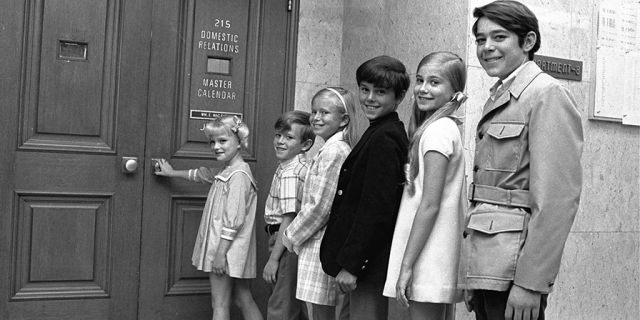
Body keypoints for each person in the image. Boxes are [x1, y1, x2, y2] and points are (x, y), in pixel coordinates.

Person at [462, 1, 584, 320]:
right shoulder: (502, 94)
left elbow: (557, 199)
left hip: (516, 268)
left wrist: (531, 282)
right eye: (480, 39)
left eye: (499, 37)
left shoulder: (546, 95)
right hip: (490, 263)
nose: (487, 47)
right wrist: (473, 272)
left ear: (527, 42)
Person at [319, 55, 410, 320]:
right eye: (365, 89)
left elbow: (376, 209)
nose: (369, 98)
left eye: (380, 92)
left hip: (369, 267)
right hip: (365, 265)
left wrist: (353, 265)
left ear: (399, 96)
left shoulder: (385, 137)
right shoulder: (378, 131)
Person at [383, 51, 468, 320]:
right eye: (420, 80)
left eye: (434, 82)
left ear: (455, 90)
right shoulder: (443, 127)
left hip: (428, 256)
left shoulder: (437, 132)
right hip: (433, 253)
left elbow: (429, 204)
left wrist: (406, 266)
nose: (423, 89)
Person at [154, 116, 262, 320]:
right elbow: (203, 174)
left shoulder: (238, 175)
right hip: (235, 251)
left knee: (219, 304)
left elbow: (235, 220)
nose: (216, 146)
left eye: (223, 141)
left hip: (226, 250)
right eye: (212, 142)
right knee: (242, 298)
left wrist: (220, 254)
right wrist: (172, 173)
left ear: (239, 142)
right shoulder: (229, 170)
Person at [282, 87, 358, 320]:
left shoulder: (334, 152)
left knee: (322, 312)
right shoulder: (329, 149)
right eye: (314, 111)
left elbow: (320, 206)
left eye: (325, 113)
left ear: (343, 120)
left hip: (320, 242)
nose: (316, 117)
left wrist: (290, 235)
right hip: (317, 241)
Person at [262, 110, 315, 320]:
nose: (280, 141)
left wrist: (274, 259)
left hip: (284, 243)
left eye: (289, 137)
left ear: (305, 145)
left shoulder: (291, 172)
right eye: (278, 135)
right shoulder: (297, 165)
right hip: (290, 243)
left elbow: (289, 218)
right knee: (293, 305)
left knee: (281, 306)